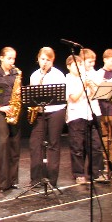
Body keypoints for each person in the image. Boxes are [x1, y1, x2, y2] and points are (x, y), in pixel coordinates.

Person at [65, 55, 108, 184]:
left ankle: (96, 172)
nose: (79, 67)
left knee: (95, 145)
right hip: (76, 115)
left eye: (80, 64)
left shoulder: (87, 77)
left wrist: (92, 86)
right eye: (75, 65)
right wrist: (84, 85)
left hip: (92, 113)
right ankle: (79, 174)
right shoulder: (68, 79)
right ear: (68, 67)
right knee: (78, 146)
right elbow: (74, 98)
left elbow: (95, 95)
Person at [27, 47, 66, 188]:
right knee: (35, 143)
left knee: (53, 144)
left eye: (48, 60)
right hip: (40, 113)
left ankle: (52, 179)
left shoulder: (58, 75)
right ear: (38, 59)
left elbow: (62, 97)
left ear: (52, 61)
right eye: (42, 59)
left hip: (56, 111)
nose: (44, 62)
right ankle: (36, 179)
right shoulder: (34, 75)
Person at [0, 47, 21, 192]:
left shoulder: (16, 73)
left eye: (13, 58)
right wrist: (0, 107)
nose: (12, 61)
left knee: (15, 145)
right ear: (1, 58)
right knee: (3, 144)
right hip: (1, 112)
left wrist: (20, 92)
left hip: (14, 111)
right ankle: (4, 182)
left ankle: (13, 180)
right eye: (9, 58)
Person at [92, 49, 112, 173]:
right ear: (105, 60)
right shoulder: (99, 73)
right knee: (106, 138)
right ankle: (106, 163)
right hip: (104, 110)